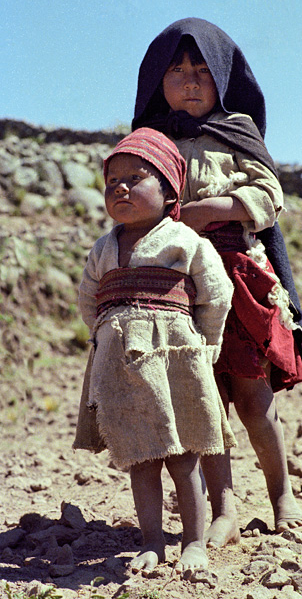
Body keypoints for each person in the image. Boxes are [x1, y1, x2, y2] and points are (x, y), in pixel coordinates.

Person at [132, 17, 302, 546]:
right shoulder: (149, 143)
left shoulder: (238, 131)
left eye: (203, 72)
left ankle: (282, 495)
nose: (190, 81)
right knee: (205, 404)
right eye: (178, 71)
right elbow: (129, 200)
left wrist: (217, 207)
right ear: (155, 80)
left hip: (239, 283)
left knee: (253, 400)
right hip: (177, 292)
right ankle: (223, 510)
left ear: (225, 78)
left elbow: (267, 196)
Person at [73, 127, 236, 575]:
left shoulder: (185, 241)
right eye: (112, 182)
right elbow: (88, 299)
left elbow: (217, 293)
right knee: (140, 457)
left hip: (176, 362)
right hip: (123, 366)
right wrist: (109, 334)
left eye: (136, 178)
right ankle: (151, 543)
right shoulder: (103, 250)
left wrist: (206, 342)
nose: (120, 188)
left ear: (168, 193)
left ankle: (194, 543)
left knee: (184, 457)